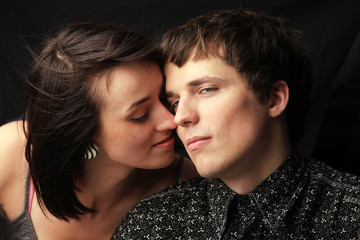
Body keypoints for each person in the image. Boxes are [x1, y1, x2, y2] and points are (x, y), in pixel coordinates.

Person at [111, 8, 360, 239]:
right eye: (174, 102)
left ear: (274, 98)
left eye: (206, 90)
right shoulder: (151, 223)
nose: (180, 117)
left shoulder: (351, 214)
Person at [0, 22, 198, 239]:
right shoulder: (9, 153)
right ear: (81, 133)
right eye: (140, 115)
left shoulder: (191, 191)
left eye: (165, 98)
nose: (173, 120)